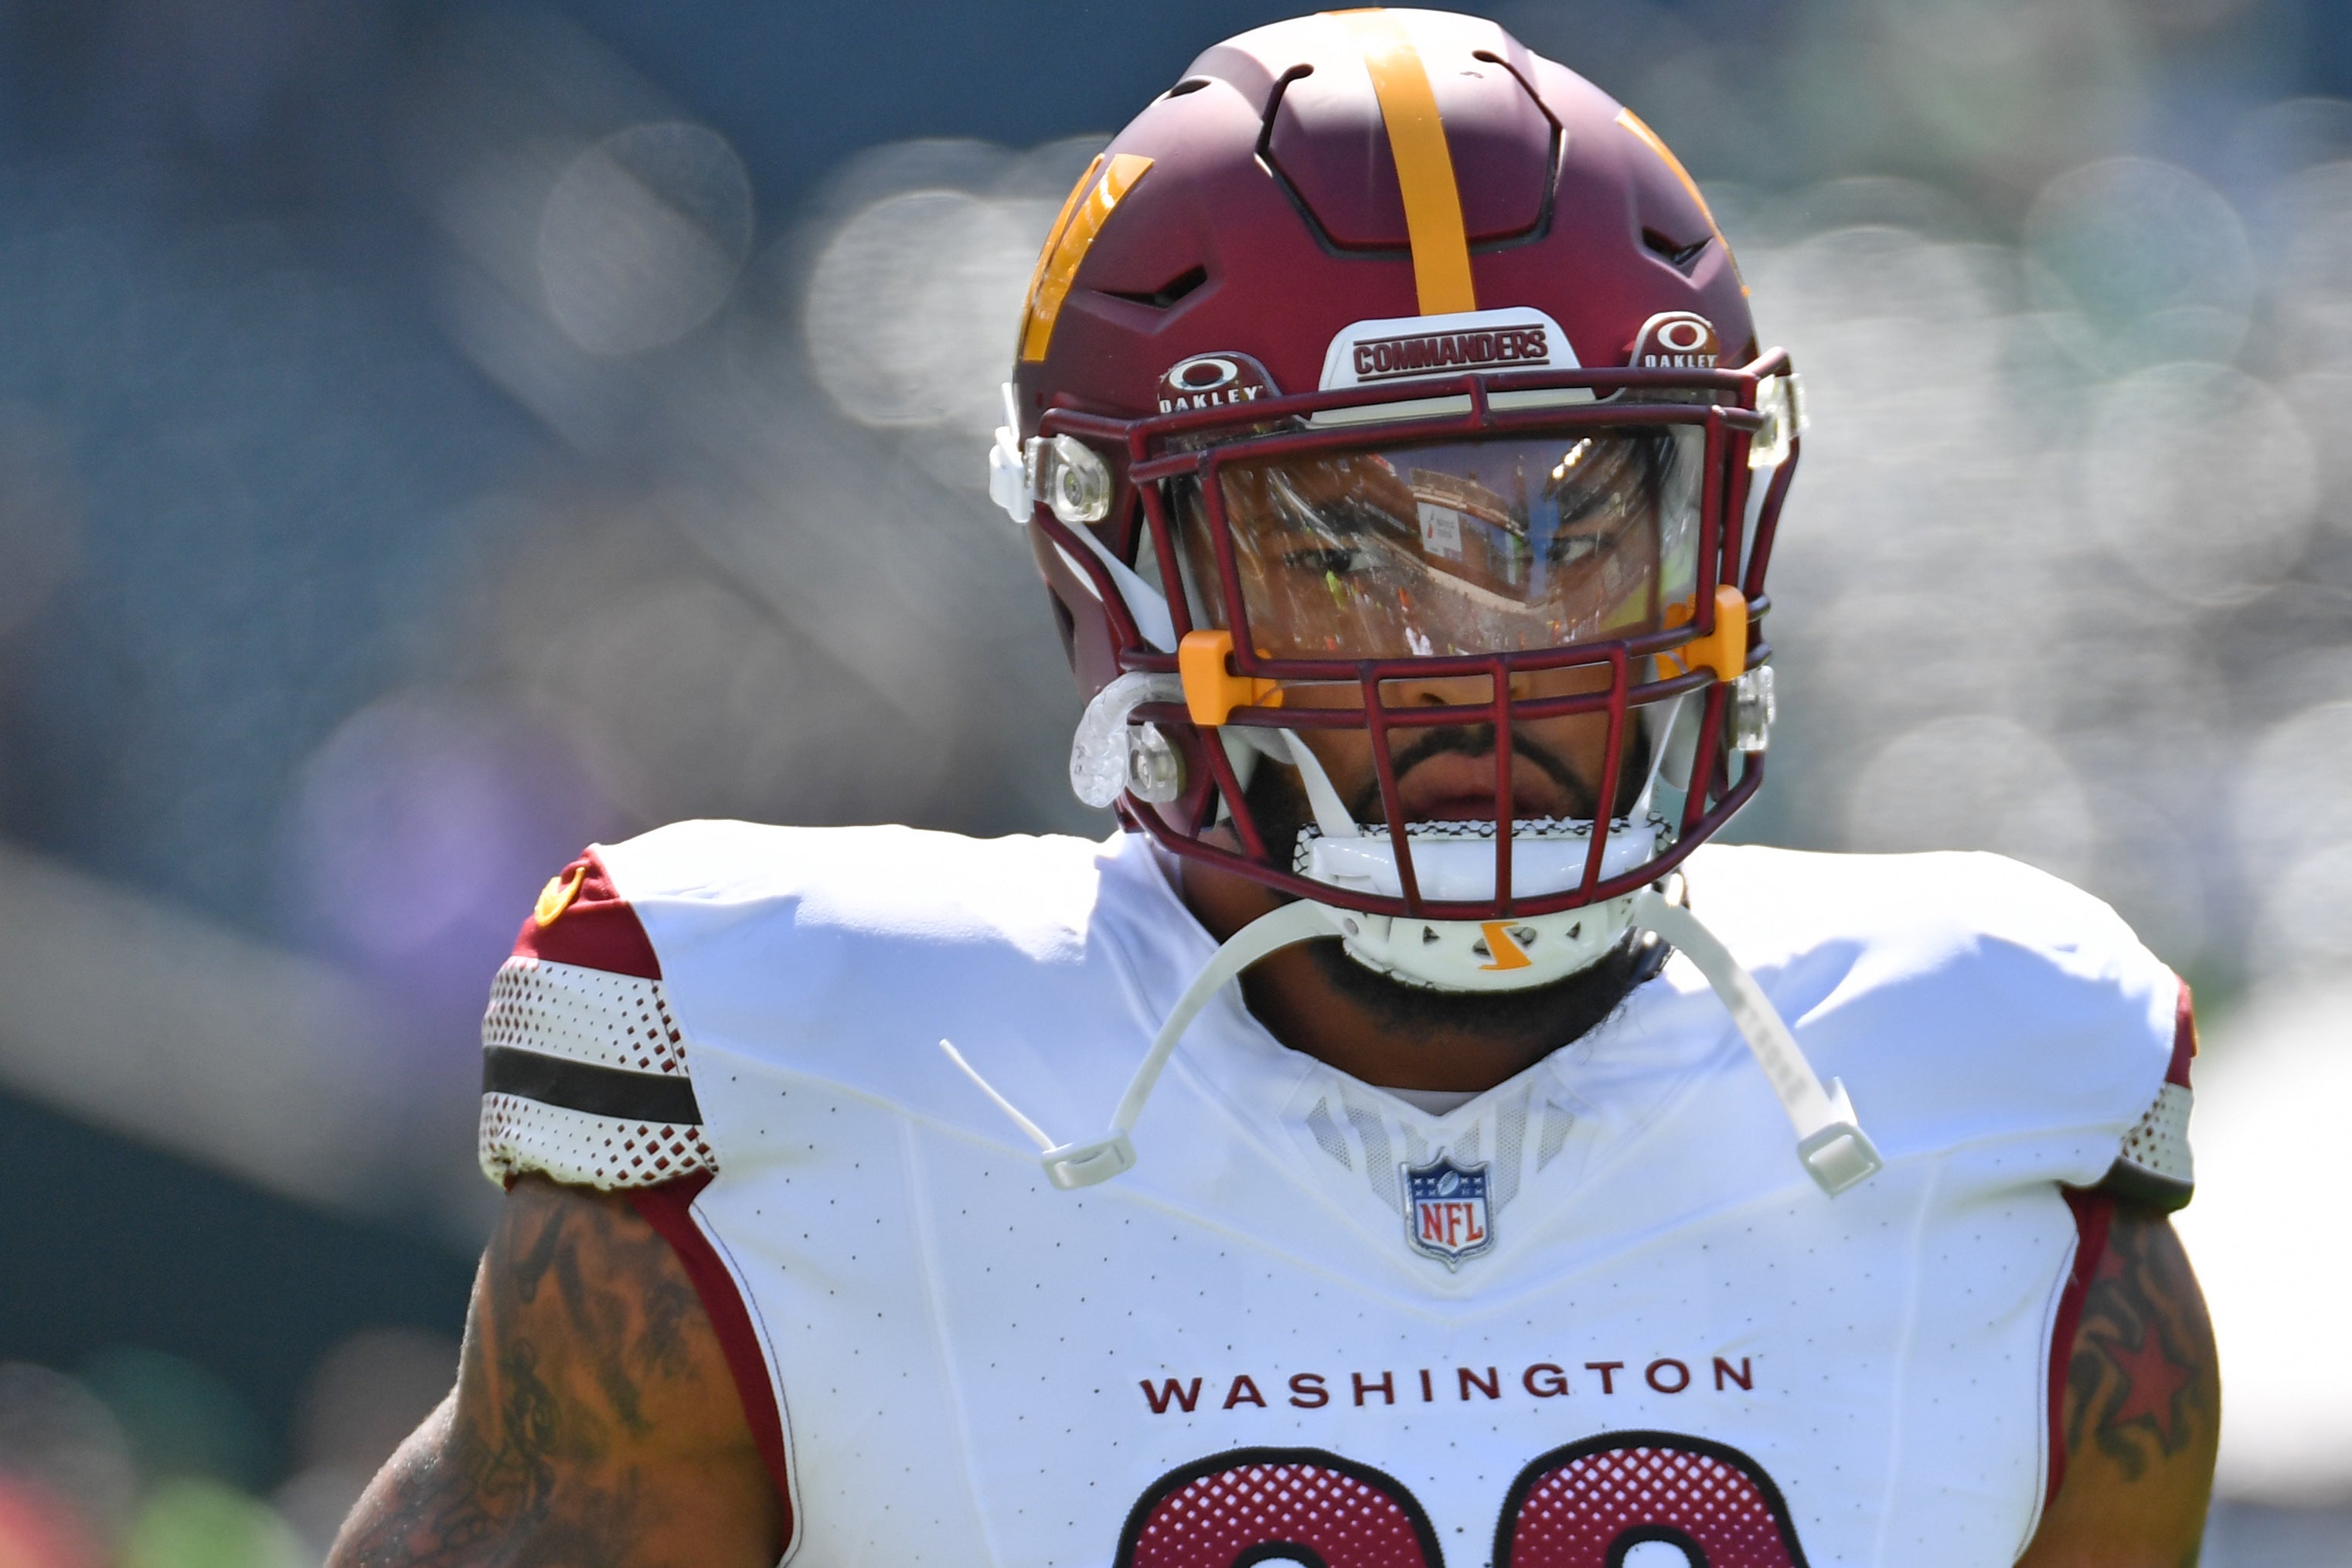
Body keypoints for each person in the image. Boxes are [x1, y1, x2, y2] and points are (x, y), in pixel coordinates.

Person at [330, 11, 2215, 1566]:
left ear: (1719, 525)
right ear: (1112, 566)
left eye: (1576, 528)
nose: (1478, 655)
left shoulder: (2002, 1092)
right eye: (1341, 547)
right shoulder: (798, 1088)